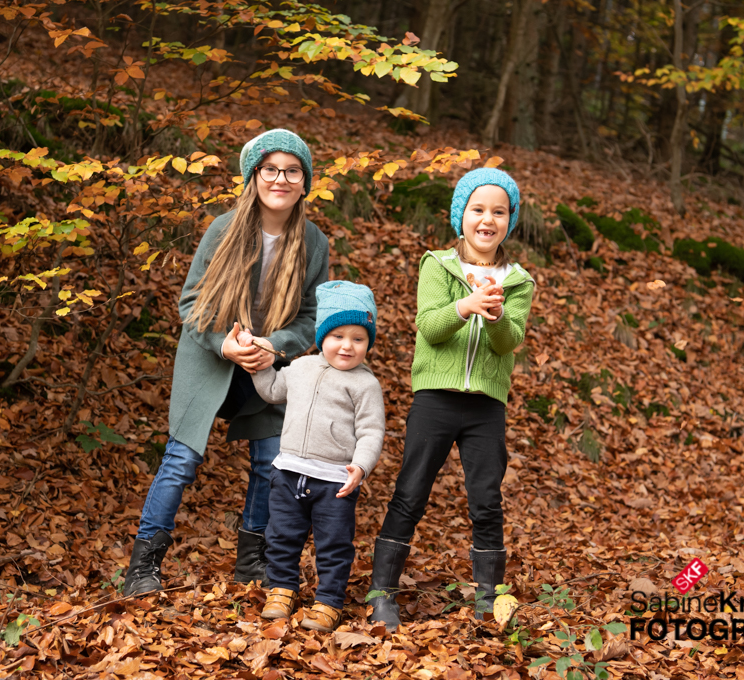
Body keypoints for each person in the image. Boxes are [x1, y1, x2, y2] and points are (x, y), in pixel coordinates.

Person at [122, 129, 330, 597]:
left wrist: (275, 345)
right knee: (180, 460)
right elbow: (190, 302)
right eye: (270, 169)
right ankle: (143, 565)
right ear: (253, 177)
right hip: (211, 358)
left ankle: (252, 561)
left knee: (271, 463)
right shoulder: (224, 229)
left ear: (304, 182)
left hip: (268, 365)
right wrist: (223, 344)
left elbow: (314, 316)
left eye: (291, 170)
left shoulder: (314, 244)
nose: (280, 178)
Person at [366, 167, 535, 630]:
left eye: (499, 212)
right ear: (461, 215)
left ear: (509, 221)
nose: (488, 219)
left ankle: (487, 598)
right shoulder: (438, 265)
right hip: (435, 399)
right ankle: (382, 592)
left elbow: (508, 343)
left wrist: (497, 315)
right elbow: (431, 327)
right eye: (478, 209)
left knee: (486, 498)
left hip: (486, 407)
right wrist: (466, 306)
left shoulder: (518, 280)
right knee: (411, 490)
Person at [252, 281, 385, 632]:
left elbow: (371, 431)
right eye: (338, 335)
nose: (347, 346)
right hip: (289, 471)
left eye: (358, 338)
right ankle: (281, 589)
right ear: (322, 336)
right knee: (281, 535)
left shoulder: (365, 385)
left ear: (368, 343)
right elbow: (271, 391)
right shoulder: (301, 367)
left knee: (334, 544)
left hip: (335, 481)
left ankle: (328, 601)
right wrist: (258, 365)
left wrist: (361, 465)